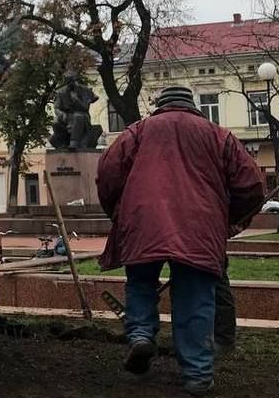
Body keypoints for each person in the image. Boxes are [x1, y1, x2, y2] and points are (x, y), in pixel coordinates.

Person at [96, 86, 264, 396]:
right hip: (199, 224)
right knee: (195, 294)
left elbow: (107, 173)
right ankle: (197, 374)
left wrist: (119, 212)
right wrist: (229, 218)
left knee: (141, 281)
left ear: (160, 105)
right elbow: (251, 185)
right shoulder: (219, 136)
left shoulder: (137, 132)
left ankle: (142, 336)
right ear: (193, 106)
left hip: (143, 219)